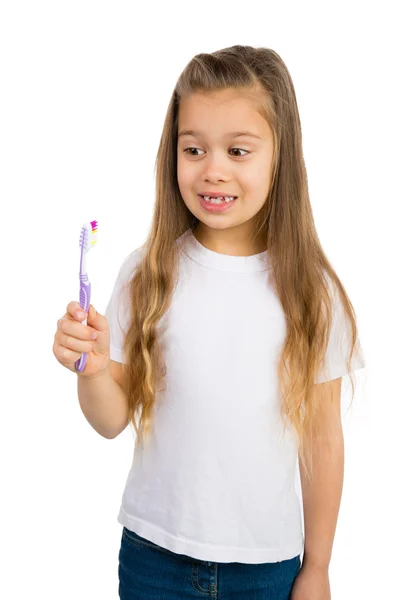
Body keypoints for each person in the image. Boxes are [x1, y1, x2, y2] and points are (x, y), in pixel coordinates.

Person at [53, 45, 366, 599]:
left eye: (238, 150)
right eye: (193, 148)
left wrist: (317, 566)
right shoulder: (149, 272)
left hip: (267, 567)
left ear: (280, 156)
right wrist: (94, 370)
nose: (212, 169)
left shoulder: (311, 292)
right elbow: (110, 421)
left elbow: (322, 439)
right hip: (153, 559)